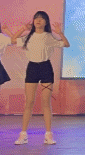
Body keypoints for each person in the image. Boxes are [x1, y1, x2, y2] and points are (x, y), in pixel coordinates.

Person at [11, 11, 70, 145]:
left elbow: (66, 44)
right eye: (36, 18)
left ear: (46, 22)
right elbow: (13, 40)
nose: (38, 20)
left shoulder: (49, 36)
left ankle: (48, 134)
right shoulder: (28, 36)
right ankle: (23, 134)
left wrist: (60, 33)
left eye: (42, 19)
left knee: (46, 102)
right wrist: (23, 29)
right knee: (29, 102)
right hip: (32, 68)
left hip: (45, 68)